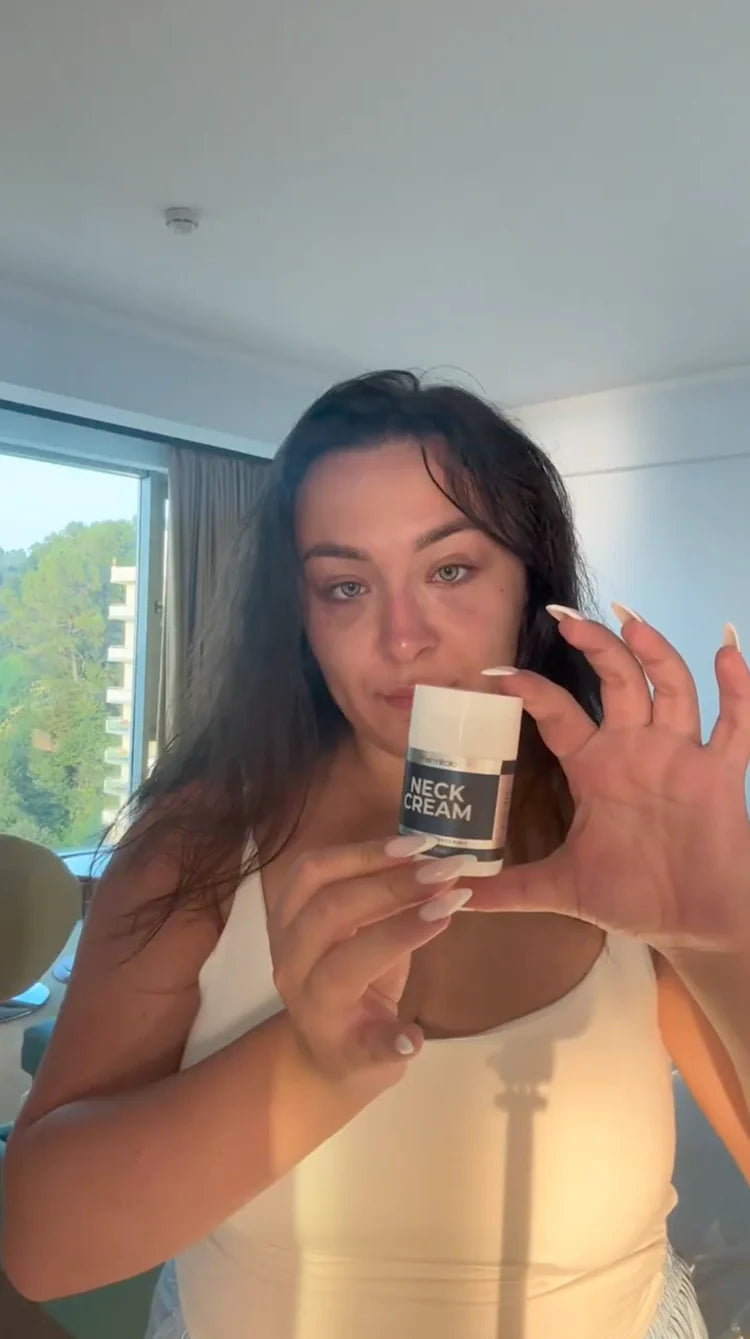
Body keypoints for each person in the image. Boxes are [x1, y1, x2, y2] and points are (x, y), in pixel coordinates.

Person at [3, 371, 750, 1339]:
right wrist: (308, 1065)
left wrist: (720, 940)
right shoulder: (198, 843)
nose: (403, 638)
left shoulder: (626, 830)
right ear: (301, 618)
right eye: (346, 586)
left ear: (529, 586)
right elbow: (42, 1247)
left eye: (452, 570)